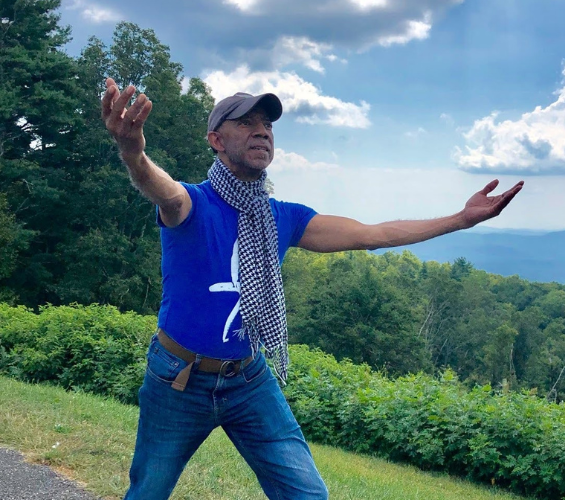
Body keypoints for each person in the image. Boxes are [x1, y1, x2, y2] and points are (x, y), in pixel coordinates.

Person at [101, 77, 524, 500]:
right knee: (148, 492)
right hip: (178, 379)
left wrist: (459, 220)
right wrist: (133, 152)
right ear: (216, 139)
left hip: (248, 377)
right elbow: (165, 193)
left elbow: (371, 234)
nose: (262, 132)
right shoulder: (193, 204)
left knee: (307, 495)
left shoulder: (282, 217)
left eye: (267, 125)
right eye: (246, 123)